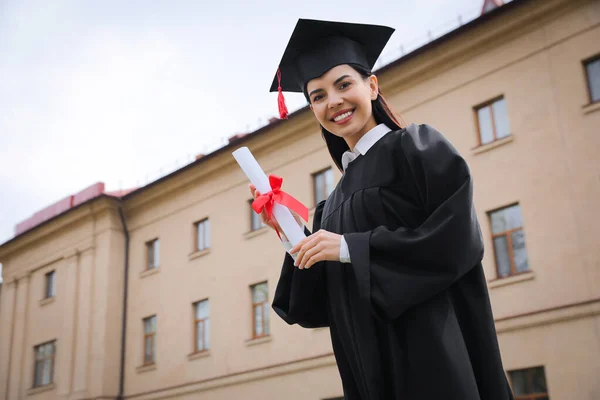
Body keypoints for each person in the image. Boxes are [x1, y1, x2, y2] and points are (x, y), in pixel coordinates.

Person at [249, 18, 514, 400]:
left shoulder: (416, 147)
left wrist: (347, 248)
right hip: (366, 371)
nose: (333, 102)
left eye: (343, 85)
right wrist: (293, 235)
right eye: (318, 96)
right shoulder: (332, 202)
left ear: (371, 86)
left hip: (432, 353)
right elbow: (320, 305)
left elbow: (456, 240)